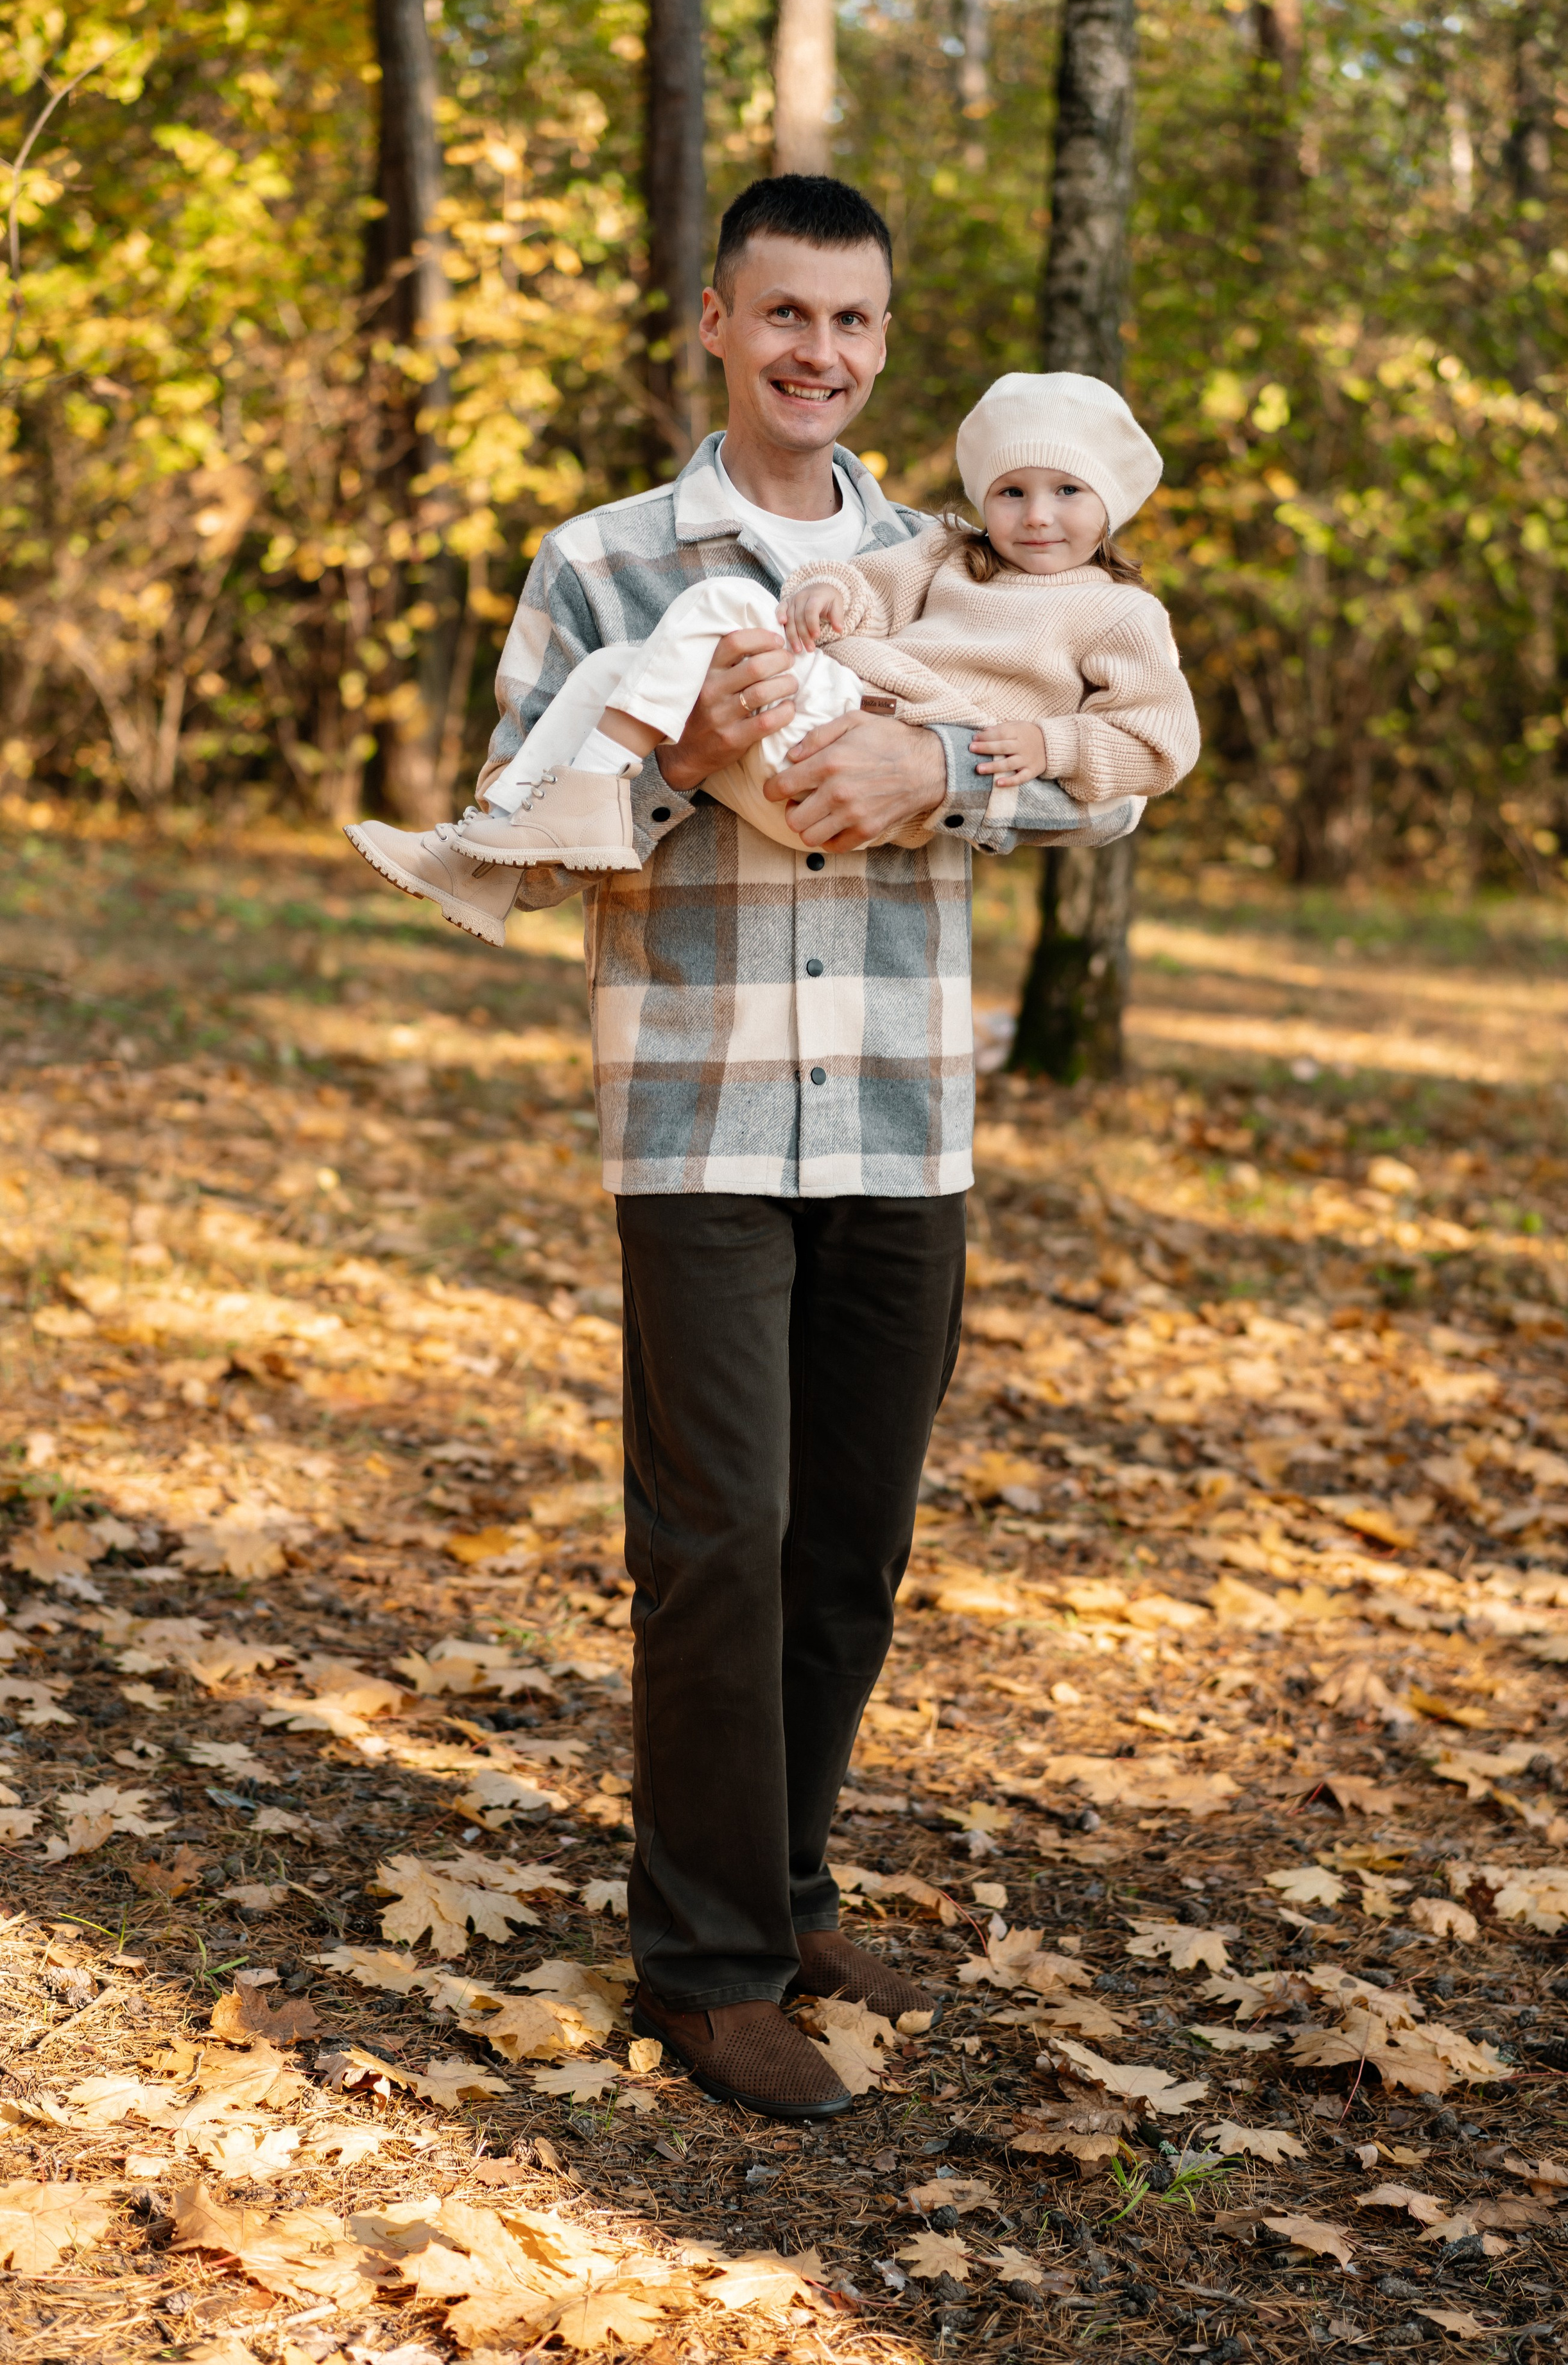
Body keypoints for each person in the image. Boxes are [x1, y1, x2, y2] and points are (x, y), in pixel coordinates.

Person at [352, 175, 1167, 2122]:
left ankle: (788, 1881)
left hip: (903, 1109)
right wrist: (664, 750)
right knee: (713, 1539)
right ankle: (708, 1965)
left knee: (852, 1543)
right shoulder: (607, 560)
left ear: (886, 344)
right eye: (783, 314)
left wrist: (946, 765)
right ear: (714, 319)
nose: (819, 353)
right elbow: (520, 821)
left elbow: (1109, 774)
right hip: (698, 1105)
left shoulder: (969, 560)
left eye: (855, 324)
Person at [343, 371, 1196, 906]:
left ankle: (582, 793)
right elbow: (868, 591)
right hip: (813, 725)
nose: (1037, 515)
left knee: (721, 602)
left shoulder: (1119, 613)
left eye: (1067, 491)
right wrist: (828, 586)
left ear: (1110, 506)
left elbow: (1158, 744)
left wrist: (1035, 745)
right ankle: (477, 852)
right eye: (1012, 491)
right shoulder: (942, 550)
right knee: (616, 666)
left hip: (874, 738)